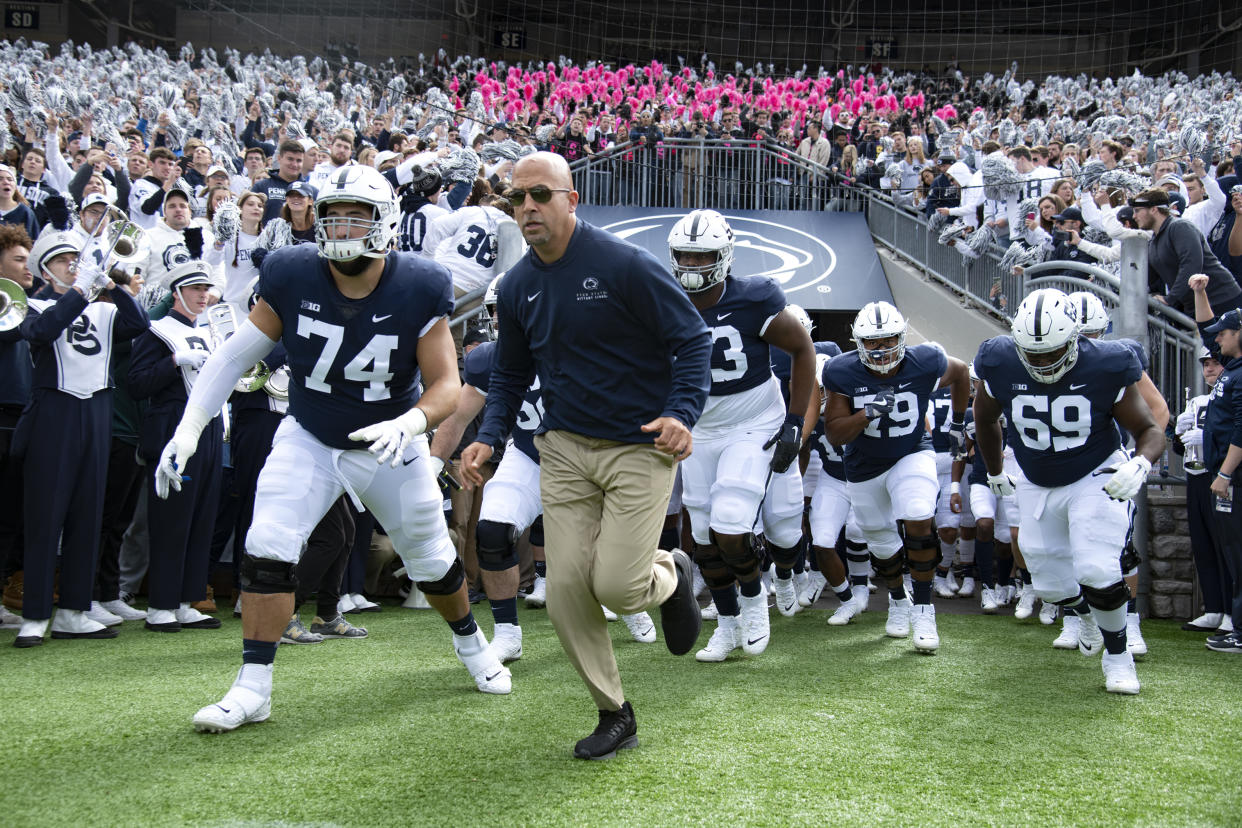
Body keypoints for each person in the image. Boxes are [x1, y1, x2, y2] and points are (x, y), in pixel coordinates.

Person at [155, 165, 511, 732]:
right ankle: (253, 688)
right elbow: (234, 356)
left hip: (390, 440)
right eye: (332, 216)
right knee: (267, 541)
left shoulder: (419, 282)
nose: (342, 228)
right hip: (312, 432)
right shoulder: (293, 272)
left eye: (357, 216)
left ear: (384, 220)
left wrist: (412, 422)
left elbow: (446, 382)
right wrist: (191, 426)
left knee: (429, 557)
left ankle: (472, 644)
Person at [461, 152, 711, 760]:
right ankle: (613, 711)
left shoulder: (624, 264)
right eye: (516, 198)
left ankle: (671, 573)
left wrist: (682, 413)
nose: (527, 208)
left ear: (572, 200)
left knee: (621, 590)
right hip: (565, 450)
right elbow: (511, 374)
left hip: (639, 445)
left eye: (540, 195)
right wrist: (489, 437)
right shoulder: (518, 285)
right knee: (569, 588)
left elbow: (691, 340)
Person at [972, 288, 1165, 694]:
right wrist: (993, 472)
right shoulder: (999, 359)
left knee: (1097, 567)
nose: (1041, 361)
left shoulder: (1107, 364)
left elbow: (1148, 429)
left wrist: (1141, 462)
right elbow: (986, 419)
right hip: (1036, 478)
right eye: (1032, 352)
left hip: (1095, 471)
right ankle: (1089, 616)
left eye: (1051, 351)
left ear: (1076, 338)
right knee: (1050, 586)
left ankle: (1119, 657)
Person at [663, 209, 815, 662]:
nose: (691, 267)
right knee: (704, 532)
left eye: (701, 257)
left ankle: (755, 604)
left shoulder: (757, 297)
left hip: (753, 421)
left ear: (724, 256)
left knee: (733, 522)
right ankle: (727, 623)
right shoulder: (662, 299)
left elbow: (803, 349)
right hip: (700, 428)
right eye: (684, 258)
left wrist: (794, 420)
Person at [12, 232, 149, 646]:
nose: (73, 264)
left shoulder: (105, 310)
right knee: (45, 515)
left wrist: (109, 285)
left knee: (87, 516)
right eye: (63, 260)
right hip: (55, 410)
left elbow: (138, 323)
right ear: (44, 269)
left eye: (77, 258)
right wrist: (76, 292)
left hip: (97, 411)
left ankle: (74, 610)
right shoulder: (34, 304)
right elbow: (42, 332)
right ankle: (35, 614)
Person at [823, 301, 971, 652]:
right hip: (863, 465)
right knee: (881, 543)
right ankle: (898, 601)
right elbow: (835, 434)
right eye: (872, 342)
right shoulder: (841, 371)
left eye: (888, 339)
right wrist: (867, 414)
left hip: (911, 452)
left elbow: (962, 371)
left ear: (902, 337)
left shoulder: (925, 360)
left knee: (919, 517)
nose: (881, 348)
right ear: (858, 342)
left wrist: (959, 423)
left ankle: (924, 609)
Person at [128, 262, 224, 632]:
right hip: (172, 427)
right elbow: (136, 384)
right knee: (172, 519)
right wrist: (173, 361)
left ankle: (187, 598)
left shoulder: (211, 332)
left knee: (201, 516)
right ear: (177, 293)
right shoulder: (158, 333)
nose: (203, 295)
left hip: (210, 429)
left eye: (206, 289)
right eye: (195, 288)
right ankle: (161, 603)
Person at [1188, 274, 1242, 653]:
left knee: (1238, 552)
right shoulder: (1233, 366)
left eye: (1226, 334)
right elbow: (1207, 327)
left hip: (1234, 475)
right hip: (1226, 474)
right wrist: (1200, 292)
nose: (1218, 340)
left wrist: (1224, 473)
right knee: (1231, 552)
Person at [1174, 346, 1233, 635]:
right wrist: (1178, 431)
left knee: (1226, 546)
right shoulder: (1197, 401)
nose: (1209, 369)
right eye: (1205, 364)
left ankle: (1232, 613)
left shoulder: (1231, 396)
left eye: (1215, 363)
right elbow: (1179, 447)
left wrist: (1208, 436)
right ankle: (1214, 608)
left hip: (1221, 476)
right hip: (1196, 477)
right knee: (1203, 545)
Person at [1133, 189, 1242, 315]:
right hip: (1195, 306)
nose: (1134, 216)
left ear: (1154, 209)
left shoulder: (1180, 227)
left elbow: (1191, 265)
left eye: (1137, 210)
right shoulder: (1154, 241)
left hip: (1221, 300)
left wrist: (1170, 299)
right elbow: (1150, 278)